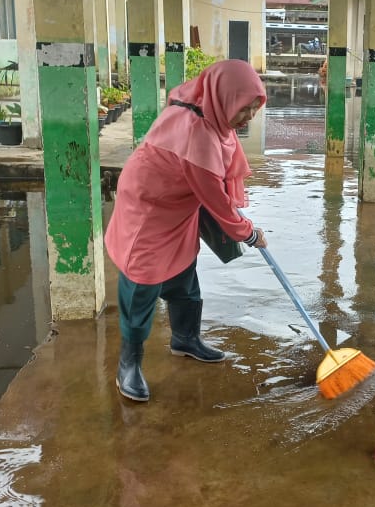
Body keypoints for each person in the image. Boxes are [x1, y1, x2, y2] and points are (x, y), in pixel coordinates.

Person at [105, 60, 267, 402]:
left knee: (183, 273)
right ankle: (128, 365)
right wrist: (249, 233)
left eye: (255, 107)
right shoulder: (197, 136)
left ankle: (185, 339)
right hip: (148, 209)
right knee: (142, 286)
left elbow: (214, 190)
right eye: (244, 107)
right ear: (224, 98)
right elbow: (217, 201)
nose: (249, 115)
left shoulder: (209, 115)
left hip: (177, 204)